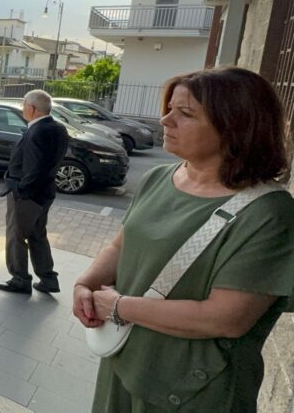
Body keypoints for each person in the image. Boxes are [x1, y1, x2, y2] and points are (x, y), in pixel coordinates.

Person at [73, 67, 294, 412]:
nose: (165, 120)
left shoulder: (268, 213)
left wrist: (117, 307)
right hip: (125, 362)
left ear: (235, 126)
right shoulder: (160, 177)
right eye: (170, 108)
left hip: (194, 390)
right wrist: (85, 284)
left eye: (185, 113)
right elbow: (122, 244)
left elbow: (225, 319)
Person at [0, 89, 69, 295]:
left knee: (16, 236)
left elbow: (35, 168)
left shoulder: (37, 131)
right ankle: (48, 279)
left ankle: (20, 279)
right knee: (37, 235)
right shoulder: (59, 128)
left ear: (31, 108)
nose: (22, 110)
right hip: (45, 193)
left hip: (27, 196)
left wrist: (20, 190)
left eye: (23, 105)